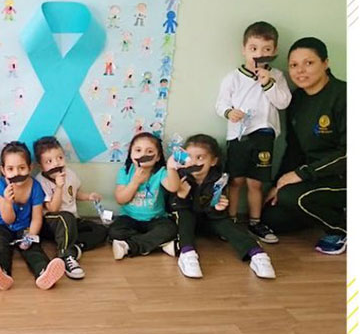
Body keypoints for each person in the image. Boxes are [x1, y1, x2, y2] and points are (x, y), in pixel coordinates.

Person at [261, 37, 346, 254]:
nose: (300, 71)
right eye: (293, 65)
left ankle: (341, 229)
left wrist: (300, 174)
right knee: (271, 215)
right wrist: (277, 184)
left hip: (343, 176)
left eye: (309, 63)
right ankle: (332, 210)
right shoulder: (296, 100)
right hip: (314, 176)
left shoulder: (344, 95)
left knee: (292, 197)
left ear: (325, 63)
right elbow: (294, 150)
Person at [215, 21, 291, 244]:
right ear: (244, 49)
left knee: (256, 182)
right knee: (235, 180)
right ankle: (230, 221)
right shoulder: (233, 78)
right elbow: (220, 103)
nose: (259, 54)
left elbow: (284, 102)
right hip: (238, 135)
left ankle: (255, 222)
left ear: (274, 51)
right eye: (254, 48)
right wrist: (229, 112)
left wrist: (268, 83)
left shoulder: (277, 76)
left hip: (264, 134)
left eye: (266, 49)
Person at [169, 134, 276, 279]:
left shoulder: (219, 179)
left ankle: (257, 253)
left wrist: (218, 208)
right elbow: (173, 207)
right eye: (189, 157)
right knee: (185, 216)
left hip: (208, 221)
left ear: (213, 161)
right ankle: (187, 253)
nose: (193, 162)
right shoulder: (179, 175)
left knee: (227, 224)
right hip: (185, 221)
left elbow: (216, 212)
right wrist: (181, 196)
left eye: (200, 157)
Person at [0, 142, 66, 291]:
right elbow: (8, 219)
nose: (16, 173)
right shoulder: (0, 187)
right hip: (1, 225)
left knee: (34, 249)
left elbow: (37, 218)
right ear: (3, 170)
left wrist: (30, 236)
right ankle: (3, 272)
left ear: (30, 167)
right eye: (10, 169)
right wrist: (8, 203)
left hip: (25, 226)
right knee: (0, 247)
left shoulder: (35, 187)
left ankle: (43, 271)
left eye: (21, 168)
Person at [33, 135, 108, 280]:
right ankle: (66, 255)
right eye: (49, 161)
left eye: (60, 158)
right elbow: (53, 208)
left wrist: (88, 196)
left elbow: (74, 193)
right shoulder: (40, 181)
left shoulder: (70, 174)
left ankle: (75, 247)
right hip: (51, 222)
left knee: (101, 230)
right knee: (65, 217)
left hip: (72, 220)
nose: (56, 163)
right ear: (41, 165)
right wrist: (58, 187)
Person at [109, 132, 180, 259]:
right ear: (131, 154)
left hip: (156, 219)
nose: (143, 155)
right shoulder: (125, 171)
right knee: (114, 231)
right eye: (138, 150)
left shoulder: (160, 172)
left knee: (170, 229)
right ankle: (158, 244)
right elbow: (121, 199)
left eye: (150, 151)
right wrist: (135, 182)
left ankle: (130, 246)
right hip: (129, 218)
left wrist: (171, 168)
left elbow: (174, 187)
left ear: (157, 157)